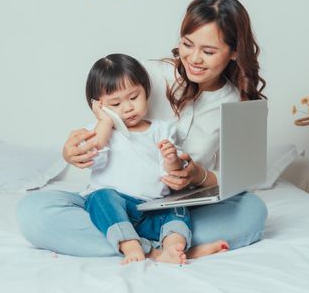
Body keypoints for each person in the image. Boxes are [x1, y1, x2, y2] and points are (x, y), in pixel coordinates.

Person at [16, 0, 268, 258]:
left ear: (234, 52)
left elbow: (239, 181)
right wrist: (71, 152)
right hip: (117, 201)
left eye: (208, 51)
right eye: (187, 44)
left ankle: (140, 241)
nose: (193, 58)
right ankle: (166, 247)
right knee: (33, 211)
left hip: (178, 207)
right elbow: (104, 117)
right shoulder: (147, 75)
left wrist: (197, 176)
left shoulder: (240, 103)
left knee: (253, 211)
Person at [81, 54, 228, 265]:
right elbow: (94, 155)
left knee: (178, 207)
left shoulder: (162, 129)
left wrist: (171, 159)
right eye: (115, 103)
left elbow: (170, 173)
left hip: (153, 209)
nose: (128, 108)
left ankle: (172, 248)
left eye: (134, 97)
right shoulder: (98, 133)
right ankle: (132, 246)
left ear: (146, 92)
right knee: (99, 198)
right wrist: (104, 122)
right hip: (118, 210)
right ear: (99, 106)